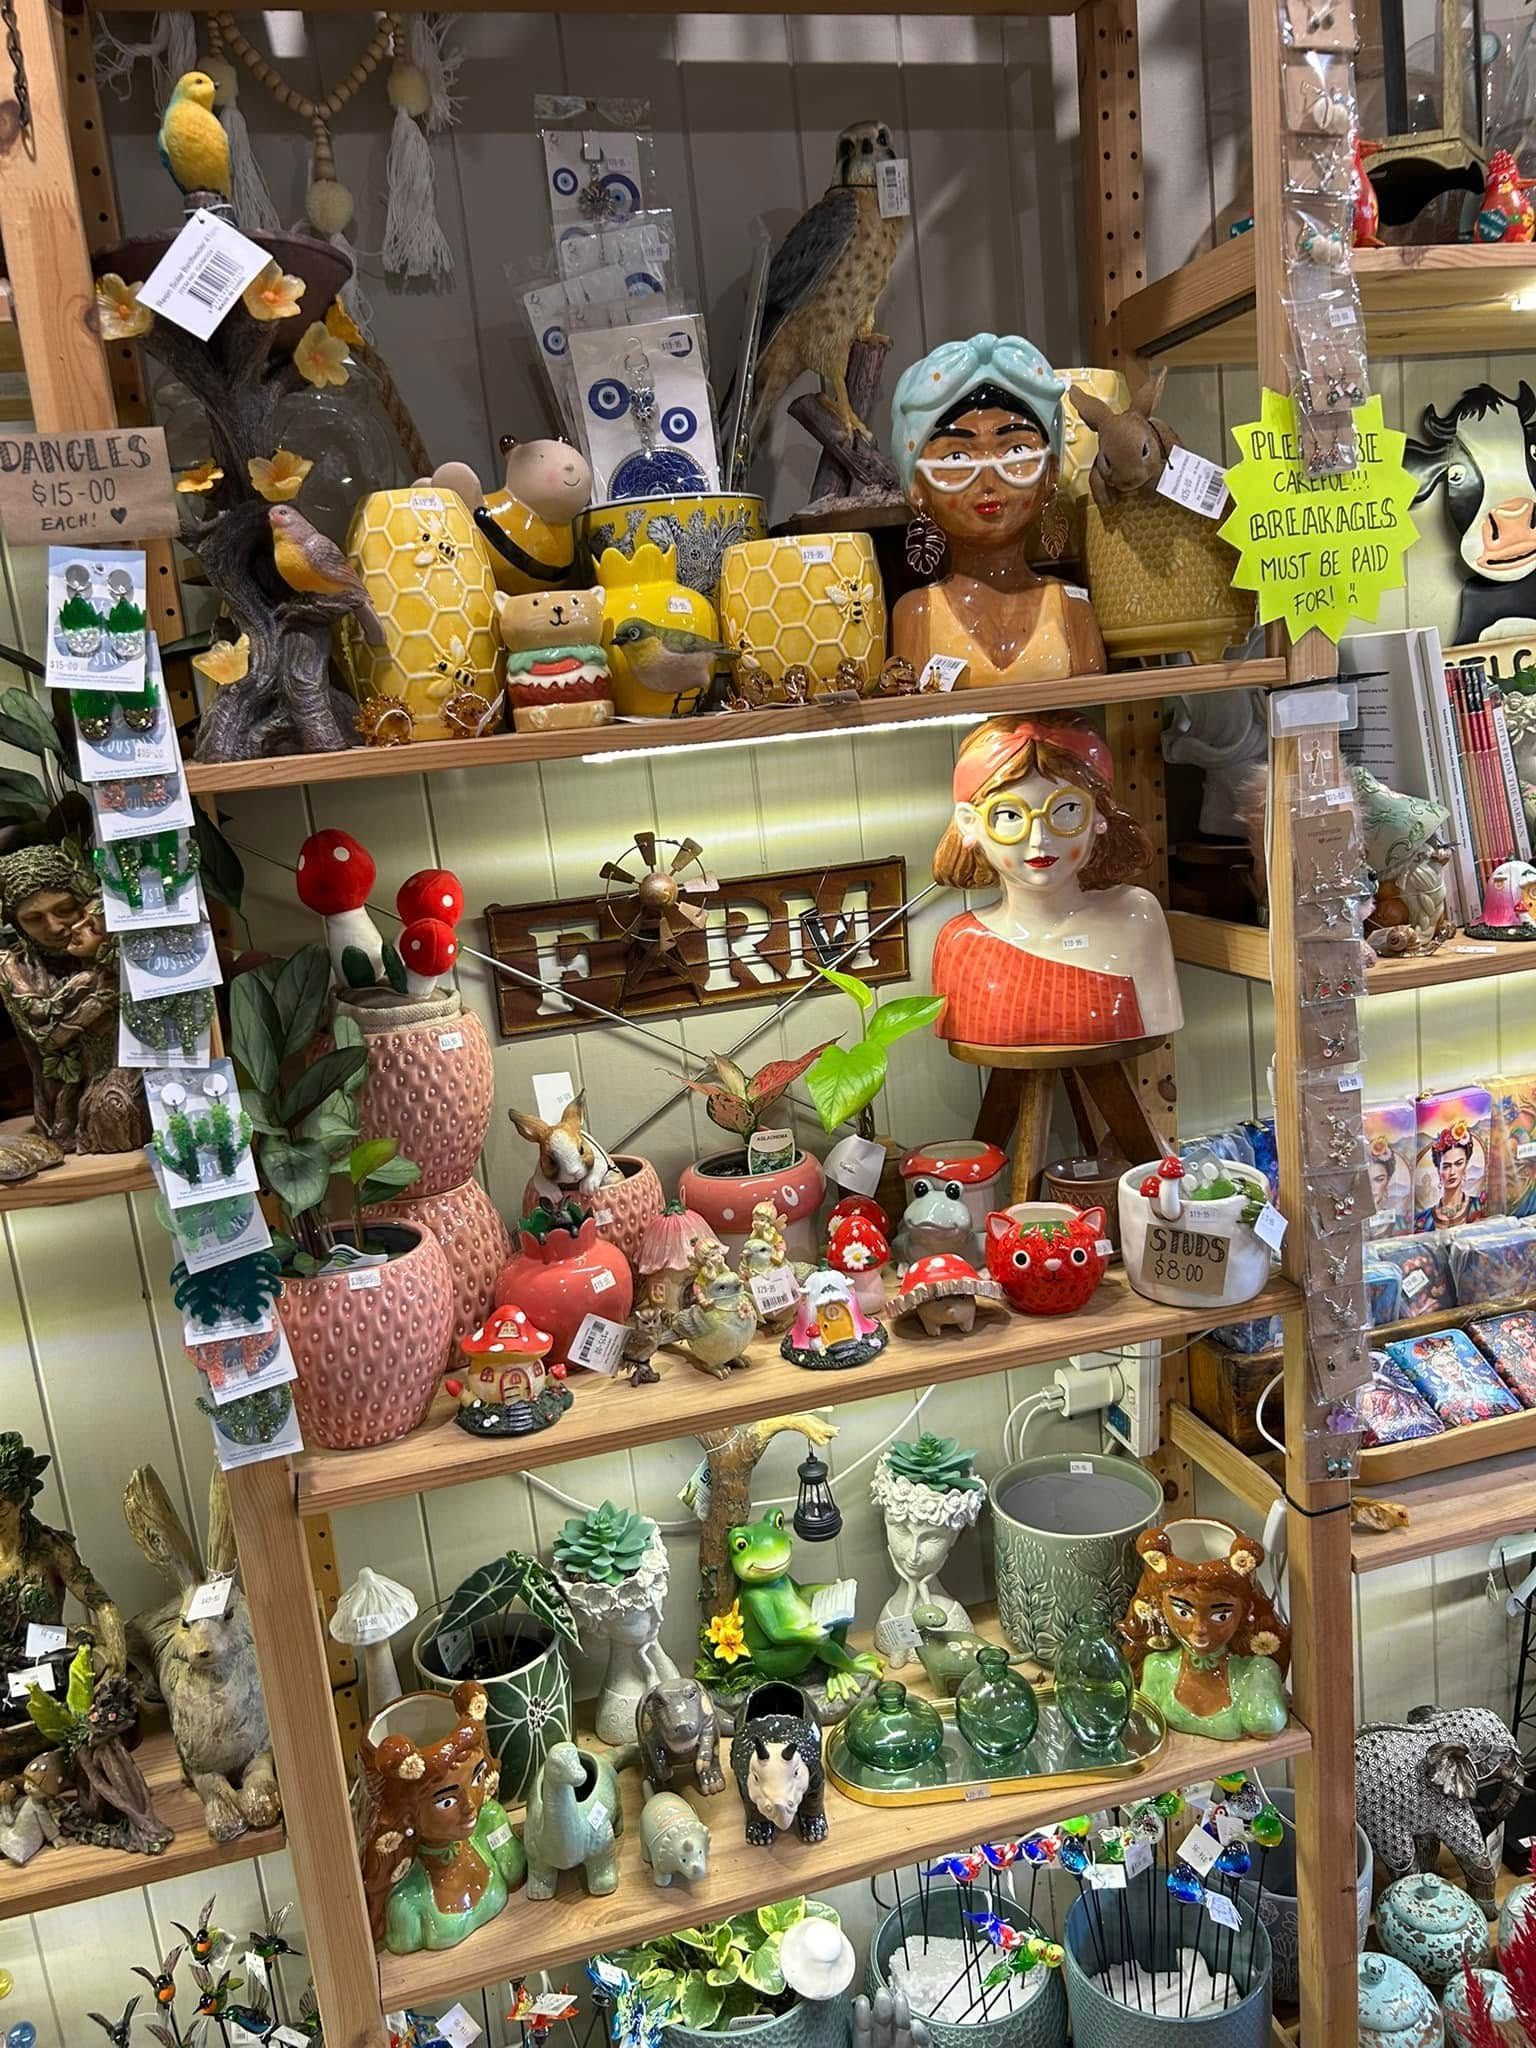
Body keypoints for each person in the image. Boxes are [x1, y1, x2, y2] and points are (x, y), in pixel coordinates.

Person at [929, 716, 1181, 1048]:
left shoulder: (1136, 919)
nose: (1039, 839)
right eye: (1009, 815)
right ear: (969, 825)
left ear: (1099, 817)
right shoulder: (960, 944)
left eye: (1066, 810)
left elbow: (1160, 1016)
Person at [888, 332, 1105, 685]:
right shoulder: (916, 615)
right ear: (917, 489)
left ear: (1050, 473)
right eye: (957, 458)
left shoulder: (1072, 608)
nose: (988, 480)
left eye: (1016, 452)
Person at [0, 843, 145, 1154]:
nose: (54, 927)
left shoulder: (118, 949)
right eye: (34, 918)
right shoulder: (16, 969)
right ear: (16, 922)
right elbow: (46, 1037)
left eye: (65, 909)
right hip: (62, 1107)